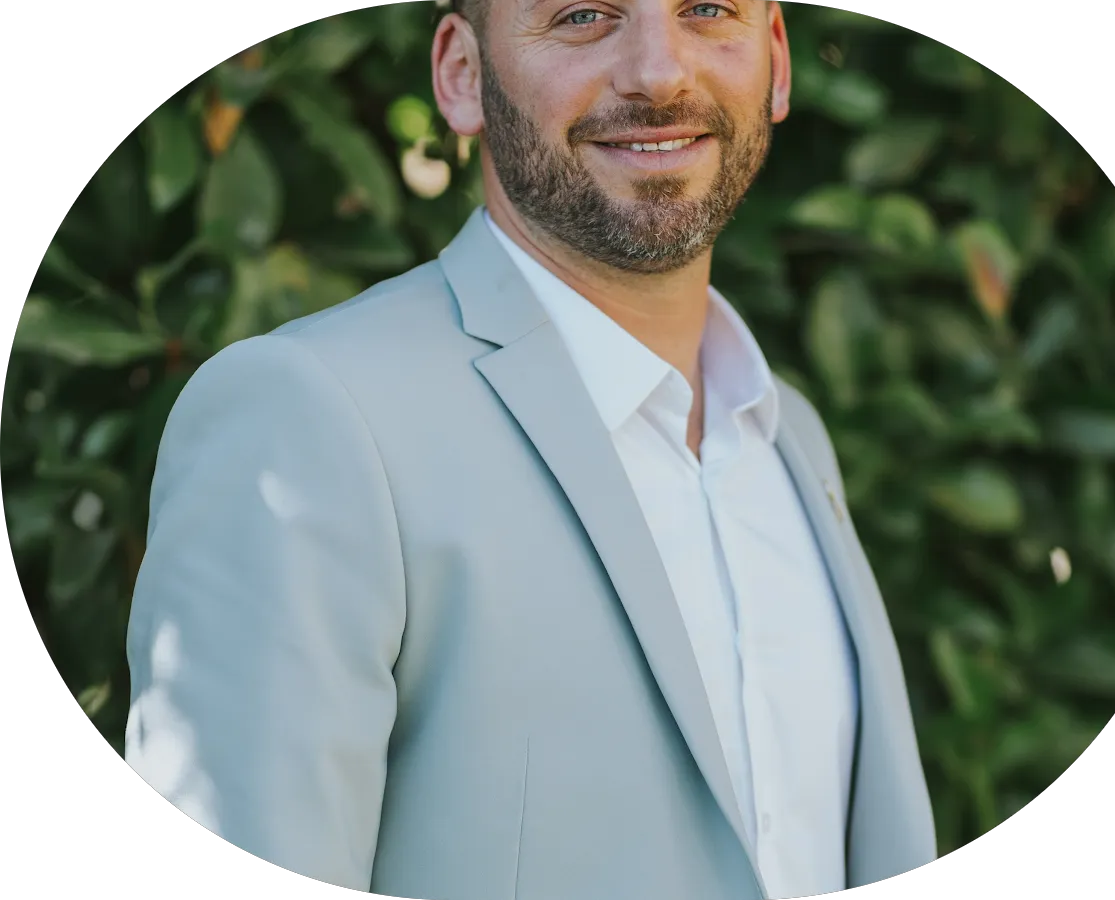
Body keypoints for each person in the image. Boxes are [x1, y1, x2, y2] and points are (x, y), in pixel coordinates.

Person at [123, 1, 936, 897]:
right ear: (462, 74)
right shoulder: (309, 419)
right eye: (584, 15)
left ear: (775, 58)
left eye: (708, 9)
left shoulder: (789, 437)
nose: (660, 73)